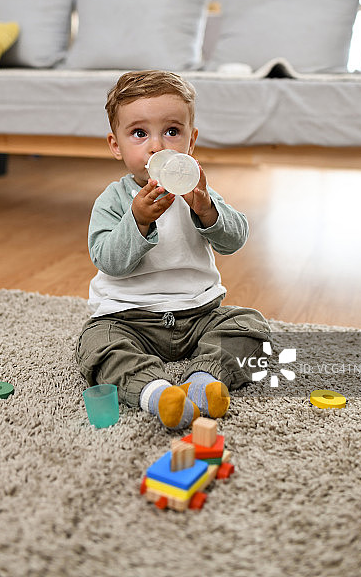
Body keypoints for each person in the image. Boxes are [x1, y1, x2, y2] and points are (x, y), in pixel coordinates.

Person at [76, 70, 271, 430]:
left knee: (250, 324)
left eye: (171, 132)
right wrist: (137, 220)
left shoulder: (196, 193)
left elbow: (236, 239)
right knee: (96, 343)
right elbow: (107, 260)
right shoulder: (113, 200)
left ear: (190, 141)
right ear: (115, 144)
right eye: (139, 133)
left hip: (197, 314)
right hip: (129, 318)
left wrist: (207, 209)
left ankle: (204, 381)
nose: (157, 147)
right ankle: (155, 392)